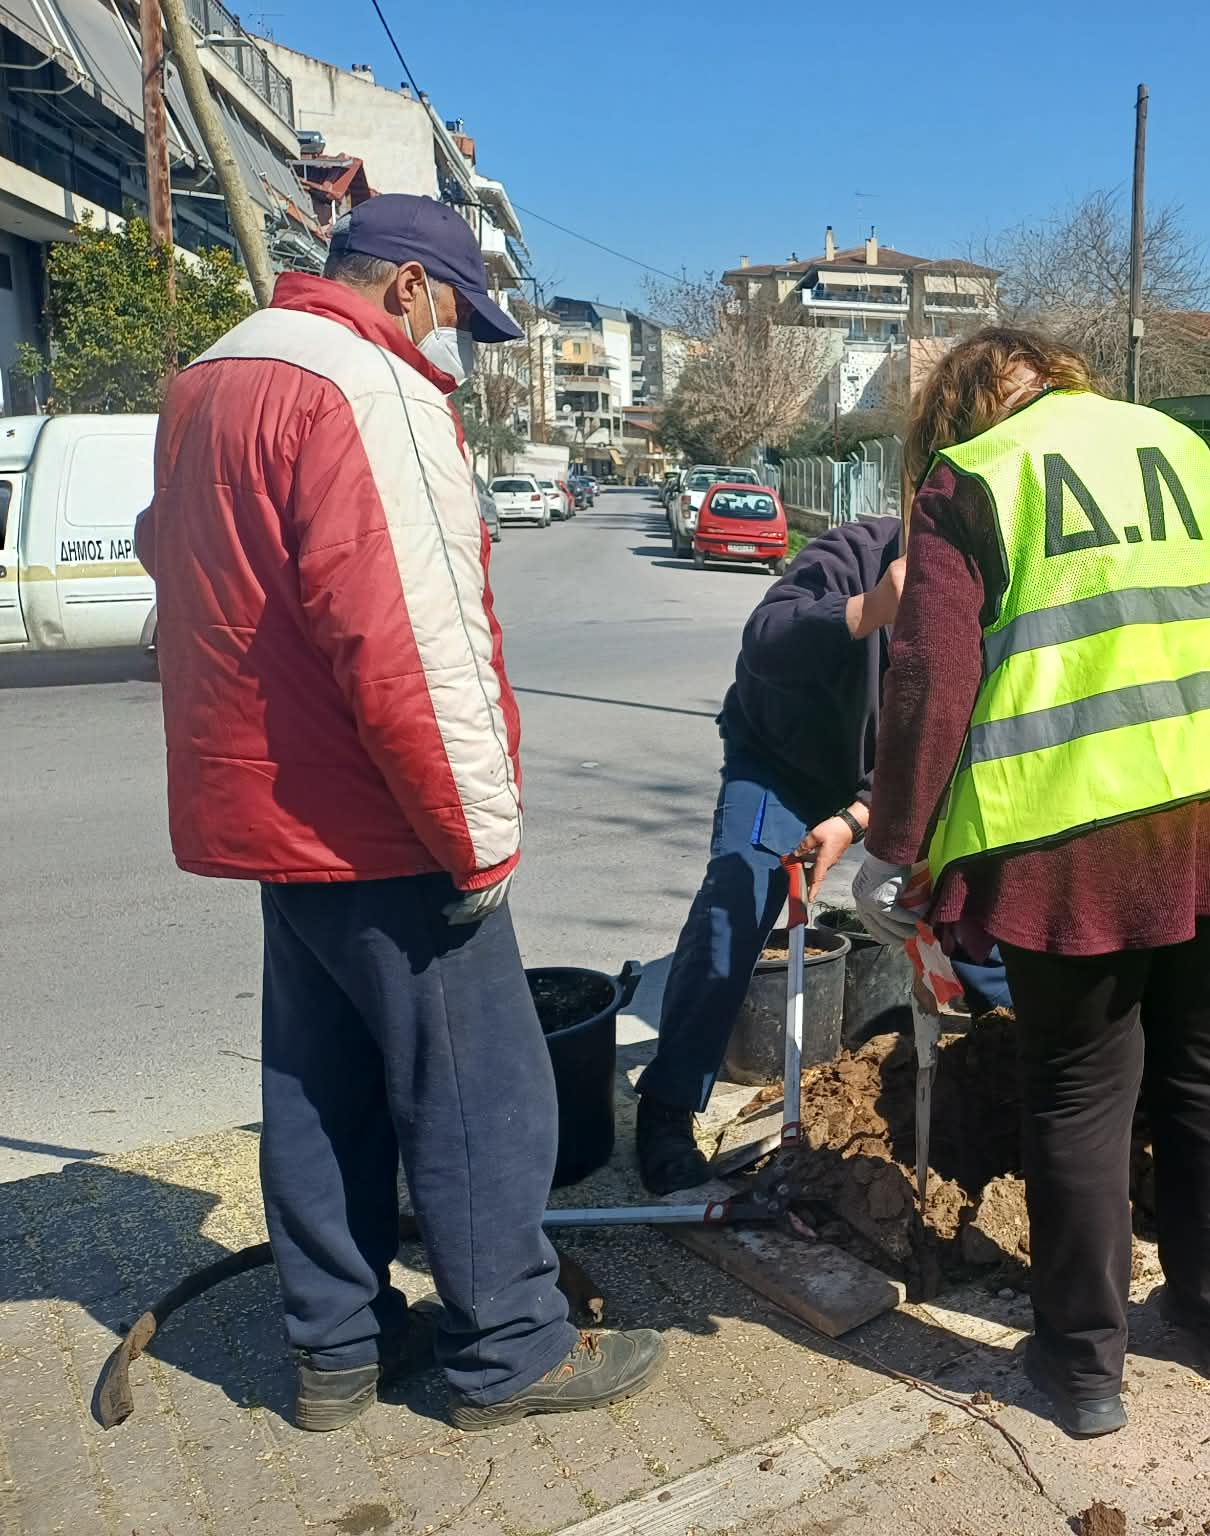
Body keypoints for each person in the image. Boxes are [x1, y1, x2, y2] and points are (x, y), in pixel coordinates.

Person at [137, 196, 662, 1433]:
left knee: (320, 1086)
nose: (453, 350)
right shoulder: (366, 391)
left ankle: (336, 1349)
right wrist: (476, 834)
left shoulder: (210, 380)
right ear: (412, 289)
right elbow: (410, 639)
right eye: (456, 320)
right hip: (381, 823)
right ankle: (510, 1353)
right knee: (481, 1092)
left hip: (269, 808)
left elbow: (176, 561)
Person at [856, 328, 1210, 1440]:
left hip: (1077, 831)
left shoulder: (968, 477)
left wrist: (895, 844)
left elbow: (930, 675)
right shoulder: (1172, 441)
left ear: (960, 405)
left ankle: (1083, 1370)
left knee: (1077, 1094)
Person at [637, 516, 1023, 1191]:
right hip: (782, 763)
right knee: (738, 900)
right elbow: (764, 640)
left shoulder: (994, 591)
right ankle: (668, 1106)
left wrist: (865, 814)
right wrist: (871, 608)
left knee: (978, 904)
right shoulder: (857, 552)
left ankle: (1015, 1075)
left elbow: (961, 730)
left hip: (902, 781)